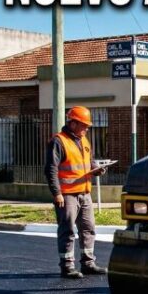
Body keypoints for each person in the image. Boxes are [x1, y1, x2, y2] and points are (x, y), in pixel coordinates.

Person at [44, 106, 108, 279]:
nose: (86, 128)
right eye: (83, 125)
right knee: (67, 230)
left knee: (88, 229)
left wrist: (96, 169)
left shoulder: (84, 140)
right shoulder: (59, 141)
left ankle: (88, 263)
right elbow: (51, 169)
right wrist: (56, 193)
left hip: (84, 193)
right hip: (67, 195)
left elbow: (90, 161)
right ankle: (67, 266)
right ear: (72, 123)